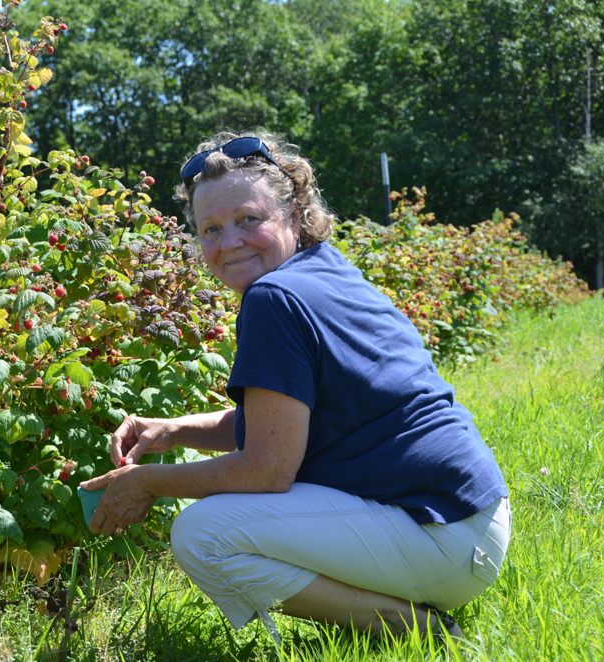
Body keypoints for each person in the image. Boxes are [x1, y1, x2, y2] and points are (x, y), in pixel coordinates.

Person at [79, 132, 510, 640]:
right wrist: (173, 431)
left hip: (440, 535)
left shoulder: (272, 300)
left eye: (248, 220)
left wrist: (147, 483)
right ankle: (403, 608)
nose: (229, 242)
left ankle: (410, 628)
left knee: (202, 533)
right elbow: (283, 425)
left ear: (294, 212)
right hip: (470, 520)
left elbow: (268, 467)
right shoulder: (323, 270)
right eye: (210, 229)